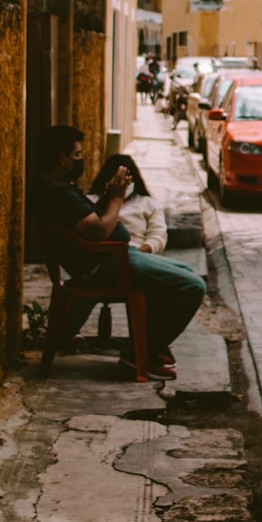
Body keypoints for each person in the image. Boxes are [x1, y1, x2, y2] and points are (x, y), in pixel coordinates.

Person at [33, 124, 203, 378]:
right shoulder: (58, 194)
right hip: (110, 264)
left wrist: (109, 193)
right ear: (62, 159)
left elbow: (90, 219)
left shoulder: (60, 190)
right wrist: (116, 196)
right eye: (78, 155)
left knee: (185, 271)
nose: (81, 160)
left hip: (116, 258)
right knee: (192, 286)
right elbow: (98, 230)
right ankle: (141, 354)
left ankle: (147, 348)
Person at [90, 153, 167, 252]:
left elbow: (158, 234)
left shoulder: (148, 204)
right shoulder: (90, 201)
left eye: (126, 180)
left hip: (138, 254)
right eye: (117, 180)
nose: (122, 184)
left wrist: (142, 251)